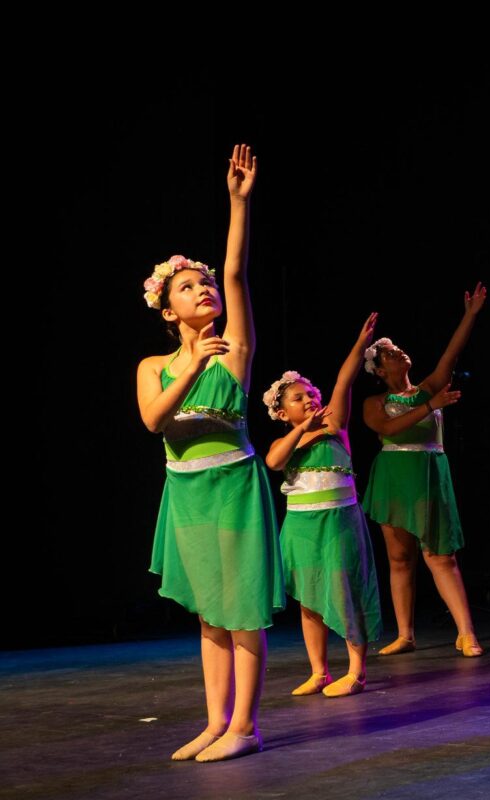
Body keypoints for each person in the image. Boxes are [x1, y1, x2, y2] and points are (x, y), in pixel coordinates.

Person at [137, 145, 283, 761]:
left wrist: (237, 203)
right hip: (187, 491)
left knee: (242, 607)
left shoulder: (235, 351)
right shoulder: (153, 365)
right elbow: (154, 420)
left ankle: (244, 727)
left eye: (204, 283)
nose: (203, 290)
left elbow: (236, 272)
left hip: (233, 486)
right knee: (210, 614)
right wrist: (191, 363)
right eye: (187, 287)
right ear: (168, 310)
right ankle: (215, 721)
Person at [362, 284, 486, 657]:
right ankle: (405, 634)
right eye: (390, 354)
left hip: (429, 474)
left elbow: (451, 353)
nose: (399, 352)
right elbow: (387, 428)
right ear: (379, 370)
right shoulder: (375, 402)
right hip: (394, 478)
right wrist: (429, 407)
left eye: (398, 349)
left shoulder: (428, 388)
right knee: (400, 559)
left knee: (440, 555)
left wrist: (470, 315)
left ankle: (466, 632)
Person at [264, 314, 383, 698]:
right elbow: (273, 461)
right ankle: (319, 672)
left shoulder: (335, 426)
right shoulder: (286, 441)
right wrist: (302, 429)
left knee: (346, 591)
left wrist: (359, 344)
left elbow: (344, 381)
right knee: (310, 599)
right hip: (301, 527)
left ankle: (356, 671)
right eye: (298, 398)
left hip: (338, 522)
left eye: (310, 393)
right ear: (283, 414)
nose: (309, 399)